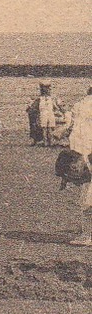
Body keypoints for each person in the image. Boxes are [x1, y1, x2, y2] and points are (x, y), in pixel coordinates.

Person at [68, 85, 92, 247]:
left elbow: (77, 133)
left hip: (88, 151)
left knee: (88, 197)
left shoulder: (83, 105)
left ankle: (87, 235)